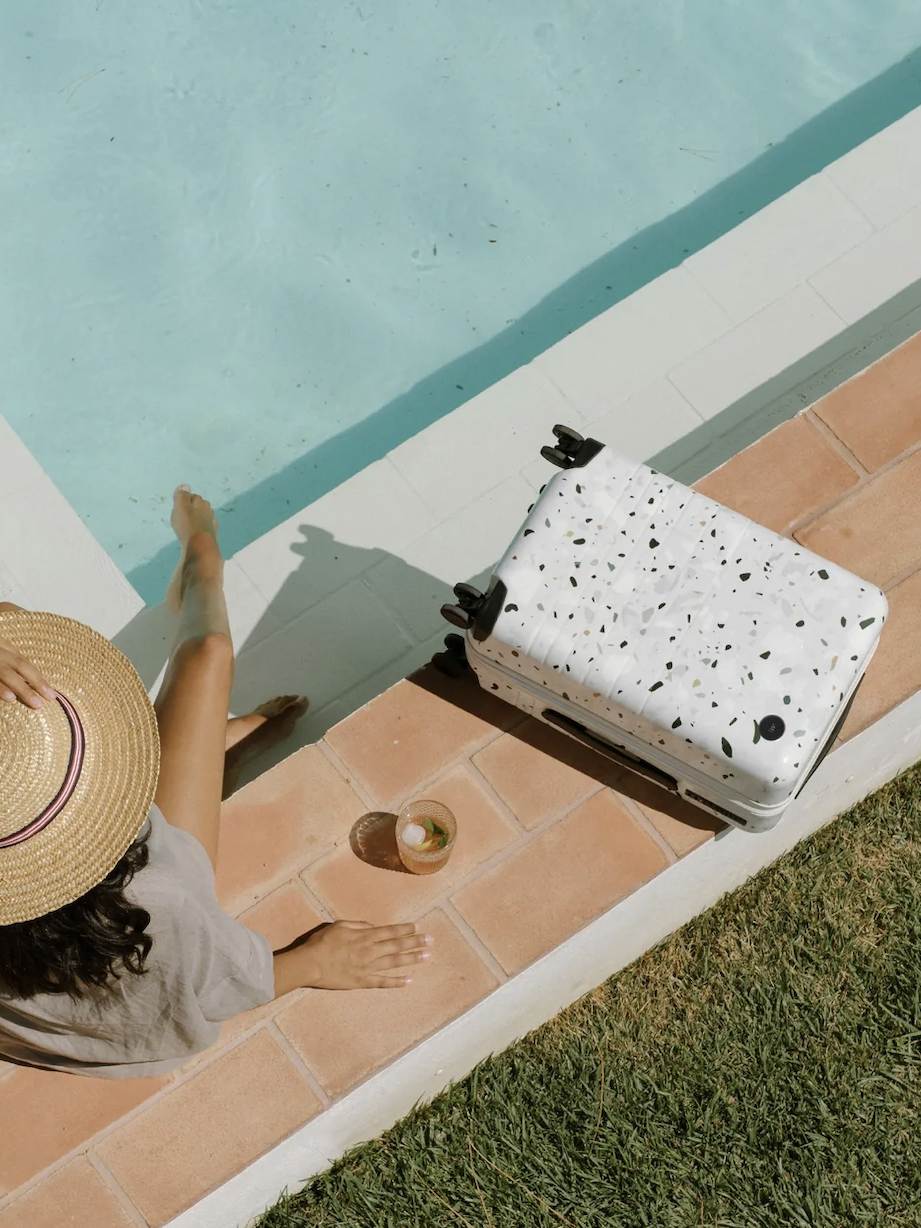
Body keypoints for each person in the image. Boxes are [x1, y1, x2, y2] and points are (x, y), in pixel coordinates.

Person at [0, 486, 433, 1078]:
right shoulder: (149, 898)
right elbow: (200, 993)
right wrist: (311, 962)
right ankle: (202, 556)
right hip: (114, 938)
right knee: (208, 651)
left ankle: (211, 740)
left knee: (13, 627)